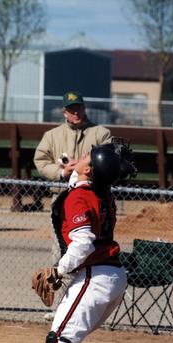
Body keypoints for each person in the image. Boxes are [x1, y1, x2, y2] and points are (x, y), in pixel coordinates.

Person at [43, 143, 136, 343]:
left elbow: (83, 243)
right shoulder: (100, 191)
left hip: (95, 277)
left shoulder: (80, 197)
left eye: (86, 157)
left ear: (89, 169)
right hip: (108, 276)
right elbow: (83, 179)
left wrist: (58, 269)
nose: (82, 156)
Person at [34, 90, 113, 265]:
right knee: (61, 245)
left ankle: (91, 284)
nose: (76, 113)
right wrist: (62, 172)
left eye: (78, 108)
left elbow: (110, 163)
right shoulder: (52, 136)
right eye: (72, 110)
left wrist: (85, 169)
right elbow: (40, 161)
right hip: (62, 197)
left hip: (94, 198)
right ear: (65, 113)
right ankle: (62, 285)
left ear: (84, 109)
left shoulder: (101, 134)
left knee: (95, 244)